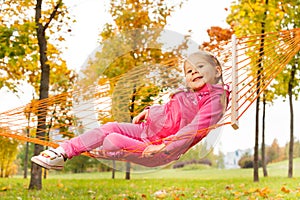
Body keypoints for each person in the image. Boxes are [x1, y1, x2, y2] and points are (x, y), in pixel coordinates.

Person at [31, 50, 229, 170]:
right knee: (110, 127)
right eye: (189, 70)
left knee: (112, 140)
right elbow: (171, 111)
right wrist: (149, 111)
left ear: (217, 71)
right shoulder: (189, 94)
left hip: (157, 149)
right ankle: (62, 152)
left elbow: (194, 128)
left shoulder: (215, 99)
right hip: (146, 132)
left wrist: (163, 146)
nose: (194, 72)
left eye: (200, 66)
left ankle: (110, 152)